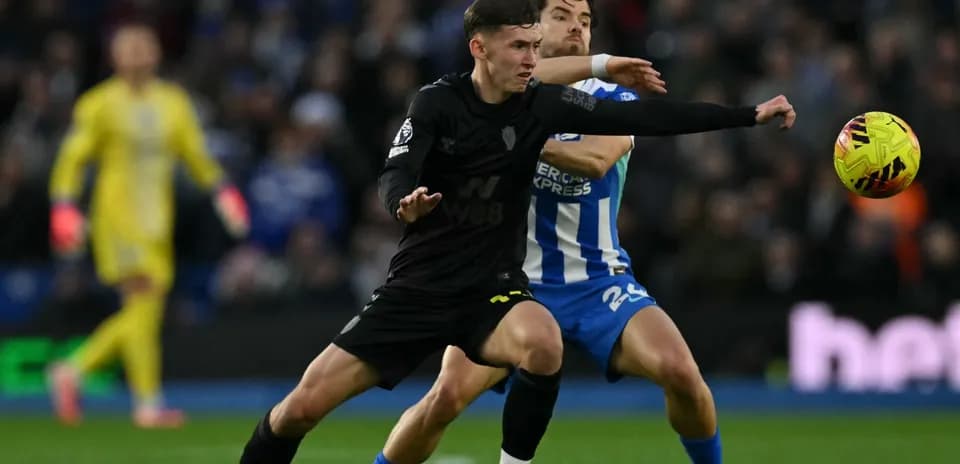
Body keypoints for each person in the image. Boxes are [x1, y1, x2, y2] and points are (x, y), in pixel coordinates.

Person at [240, 0, 794, 463]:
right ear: (503, 39)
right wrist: (407, 198)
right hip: (460, 280)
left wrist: (748, 113)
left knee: (654, 365)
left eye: (585, 18)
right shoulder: (453, 98)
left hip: (563, 282)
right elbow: (400, 167)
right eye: (560, 16)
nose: (575, 26)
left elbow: (623, 139)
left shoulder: (565, 103)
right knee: (398, 403)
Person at [46, 24, 249, 429]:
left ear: (157, 52)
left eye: (144, 45)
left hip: (157, 221)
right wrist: (64, 206)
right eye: (129, 46)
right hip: (118, 219)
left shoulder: (173, 102)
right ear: (114, 56)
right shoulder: (99, 104)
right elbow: (72, 159)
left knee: (145, 309)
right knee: (144, 301)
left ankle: (76, 371)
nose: (138, 52)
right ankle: (144, 402)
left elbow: (196, 154)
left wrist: (224, 192)